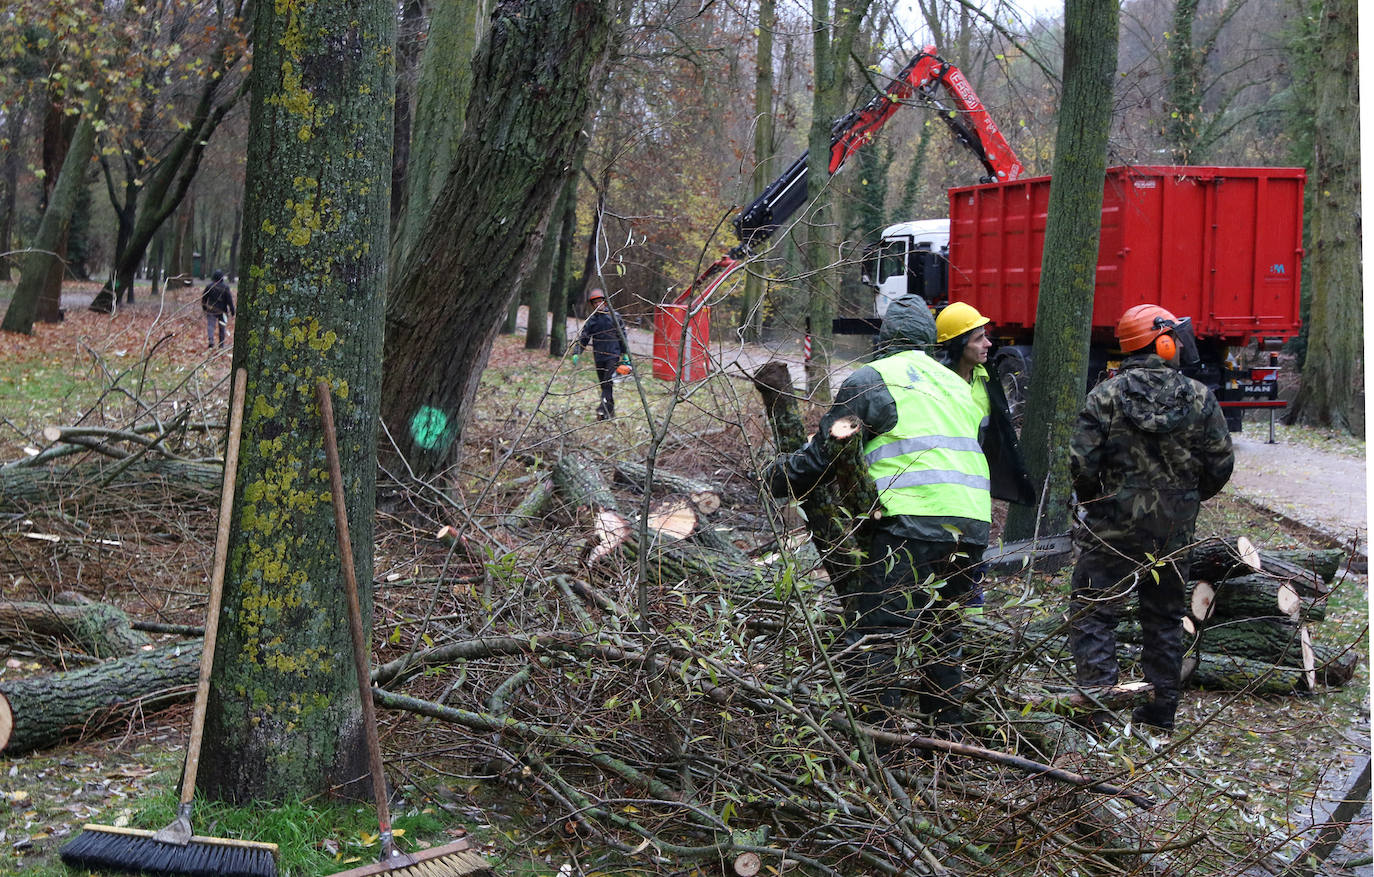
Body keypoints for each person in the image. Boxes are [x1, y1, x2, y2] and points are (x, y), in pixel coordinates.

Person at [765, 293, 990, 732]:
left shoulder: (873, 378)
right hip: (972, 525)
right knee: (943, 636)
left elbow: (830, 448)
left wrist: (779, 478)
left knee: (878, 636)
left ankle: (878, 746)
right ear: (928, 340)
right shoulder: (954, 384)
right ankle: (947, 739)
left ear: (884, 340)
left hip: (913, 522)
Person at [1068, 303, 1234, 732]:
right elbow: (1220, 466)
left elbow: (1082, 465)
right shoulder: (1200, 398)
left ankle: (1097, 714)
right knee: (1163, 620)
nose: (1179, 344)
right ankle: (1159, 715)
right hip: (1171, 533)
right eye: (1174, 337)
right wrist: (1185, 503)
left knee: (1094, 616)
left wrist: (1098, 503)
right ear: (1160, 342)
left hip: (1111, 530)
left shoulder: (1104, 396)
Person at [934, 302, 1038, 610]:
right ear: (958, 342)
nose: (988, 344)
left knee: (971, 571)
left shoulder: (985, 379)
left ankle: (974, 641)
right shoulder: (934, 380)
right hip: (938, 491)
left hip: (973, 494)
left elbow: (997, 434)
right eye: (979, 338)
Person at [574, 288, 629, 420]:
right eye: (595, 303)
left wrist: (625, 353)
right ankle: (609, 412)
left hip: (613, 355)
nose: (598, 305)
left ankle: (602, 409)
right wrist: (577, 352)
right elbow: (584, 337)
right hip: (598, 356)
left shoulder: (615, 317)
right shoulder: (592, 320)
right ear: (592, 305)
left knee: (607, 381)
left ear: (605, 302)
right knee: (604, 384)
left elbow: (622, 335)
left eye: (600, 302)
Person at [201, 270, 235, 349]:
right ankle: (221, 344)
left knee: (210, 326)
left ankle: (211, 341)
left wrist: (205, 308)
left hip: (211, 310)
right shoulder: (225, 287)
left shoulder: (209, 286)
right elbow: (229, 300)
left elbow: (204, 298)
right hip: (222, 311)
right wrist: (232, 310)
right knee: (222, 328)